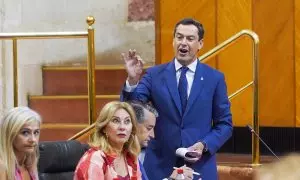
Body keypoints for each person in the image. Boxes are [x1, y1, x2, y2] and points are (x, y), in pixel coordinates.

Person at [121, 18, 233, 179]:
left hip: (199, 167)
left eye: (190, 38)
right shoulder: (154, 75)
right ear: (173, 41)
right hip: (160, 166)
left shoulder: (214, 79)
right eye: (179, 37)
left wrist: (204, 145)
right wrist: (132, 80)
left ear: (200, 44)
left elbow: (225, 124)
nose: (183, 43)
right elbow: (132, 109)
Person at [74, 101, 142, 180]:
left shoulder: (131, 157)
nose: (122, 127)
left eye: (127, 121)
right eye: (115, 121)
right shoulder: (95, 159)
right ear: (104, 128)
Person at [129, 101, 195, 180]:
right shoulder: (116, 158)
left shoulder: (135, 156)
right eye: (149, 128)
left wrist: (173, 178)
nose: (152, 135)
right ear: (133, 124)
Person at [0, 107, 42, 180]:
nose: (33, 139)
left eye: (36, 132)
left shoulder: (29, 165)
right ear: (9, 134)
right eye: (25, 132)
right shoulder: (2, 167)